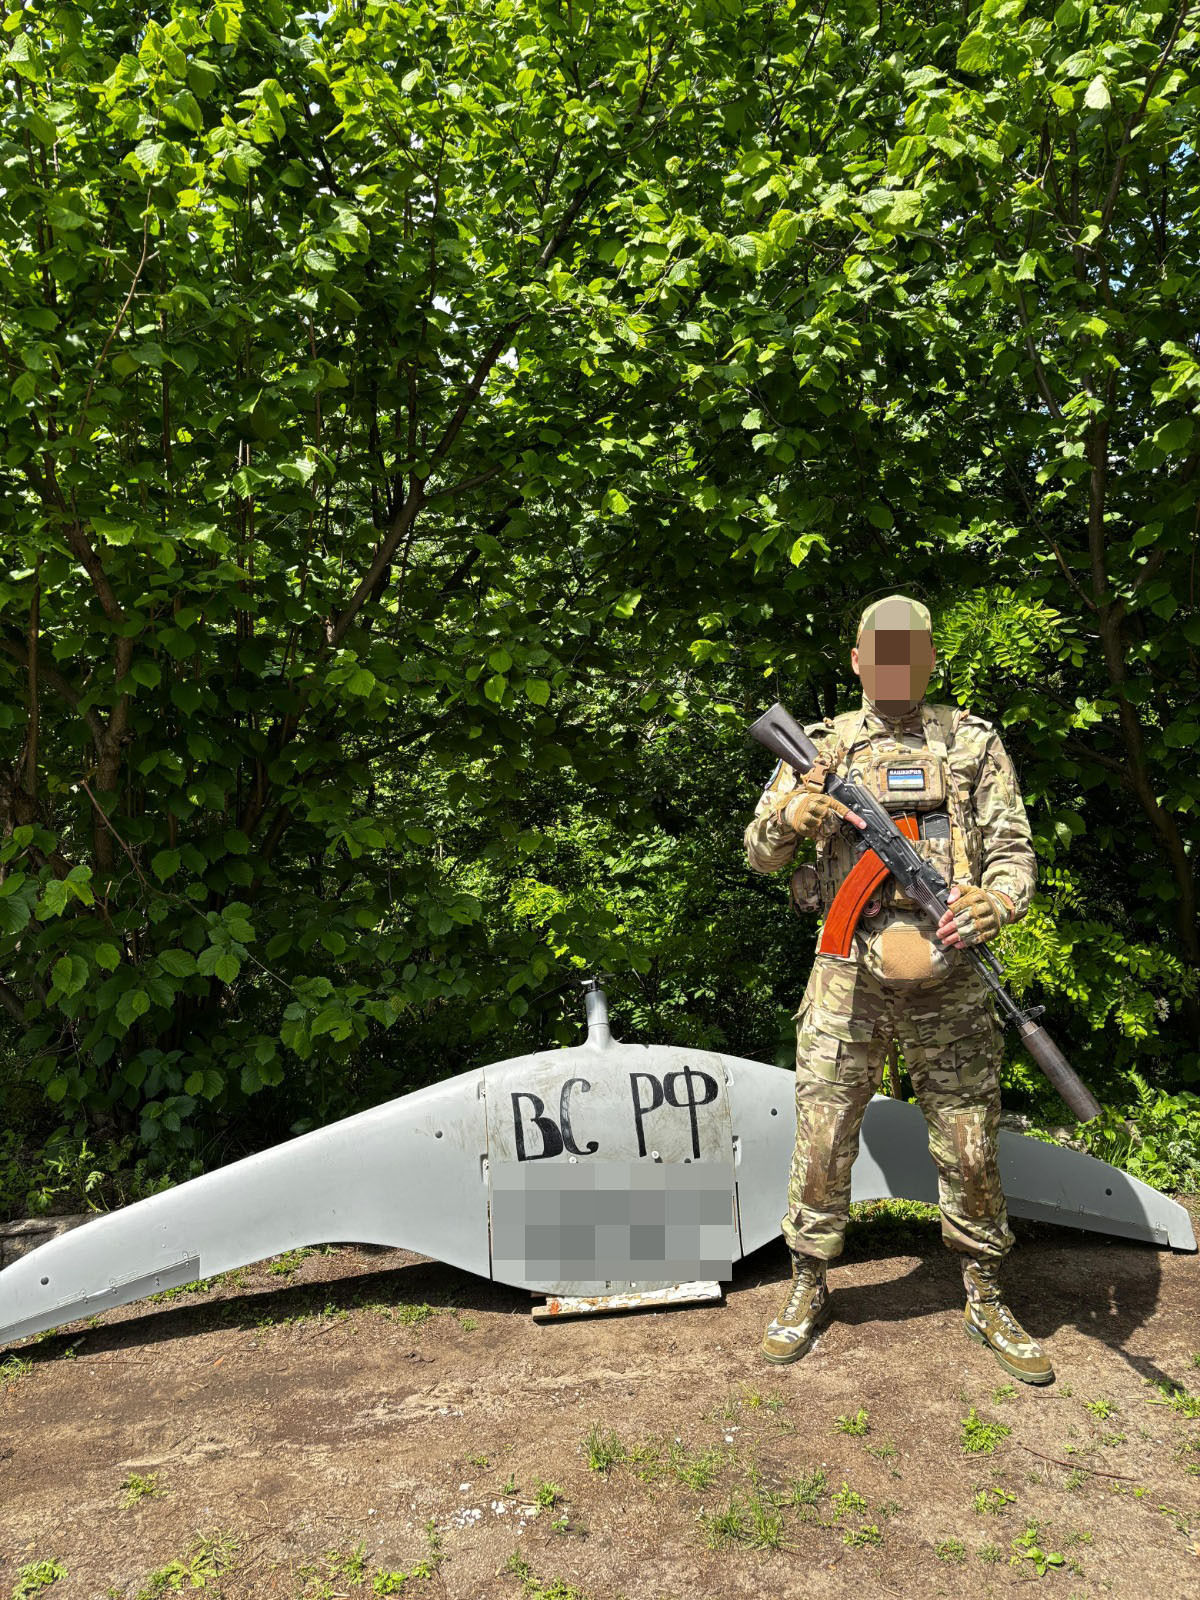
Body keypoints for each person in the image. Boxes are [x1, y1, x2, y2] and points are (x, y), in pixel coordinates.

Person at [744, 594, 1053, 1384]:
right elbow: (758, 852)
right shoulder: (818, 748)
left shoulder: (974, 742)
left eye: (908, 652)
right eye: (878, 652)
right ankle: (808, 1285)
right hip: (847, 970)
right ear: (856, 660)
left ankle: (985, 1290)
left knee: (968, 1138)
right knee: (822, 1130)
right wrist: (795, 814)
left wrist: (998, 901)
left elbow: (1014, 852)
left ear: (927, 659)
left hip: (949, 975)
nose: (892, 666)